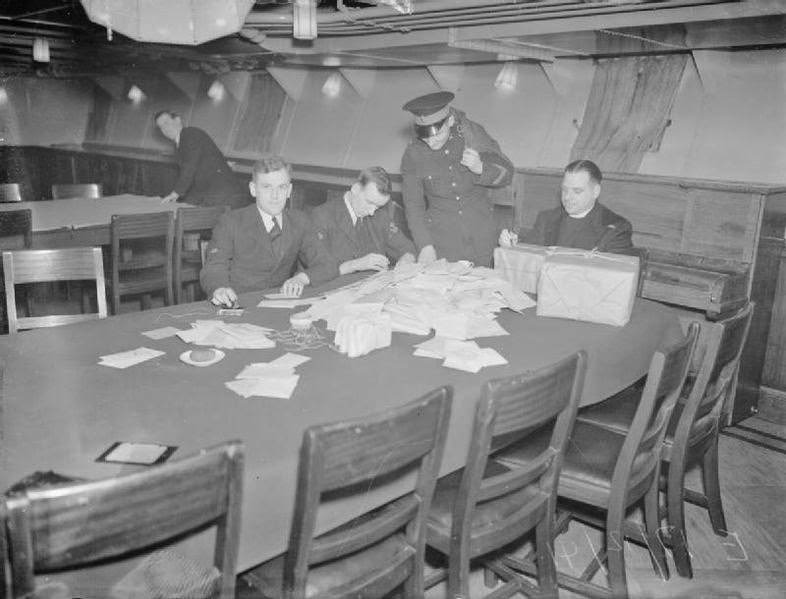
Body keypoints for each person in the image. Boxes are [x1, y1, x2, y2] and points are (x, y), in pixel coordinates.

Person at [200, 155, 337, 305]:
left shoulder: (300, 221)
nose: (275, 196)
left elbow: (327, 264)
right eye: (267, 187)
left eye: (281, 187)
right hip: (238, 302)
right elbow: (214, 266)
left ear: (289, 190)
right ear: (253, 189)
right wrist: (219, 288)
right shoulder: (231, 222)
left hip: (281, 304)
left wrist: (301, 279)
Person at [400, 91, 514, 268]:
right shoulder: (413, 154)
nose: (431, 142)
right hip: (444, 243)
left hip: (482, 237)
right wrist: (425, 245)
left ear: (450, 121)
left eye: (437, 134)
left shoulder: (472, 136)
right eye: (425, 136)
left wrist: (480, 168)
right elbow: (413, 205)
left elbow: (507, 175)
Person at [499, 159, 633, 253]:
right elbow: (528, 256)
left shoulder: (615, 228)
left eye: (577, 191)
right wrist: (512, 248)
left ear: (596, 191)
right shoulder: (547, 219)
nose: (568, 197)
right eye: (565, 189)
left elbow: (612, 278)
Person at [310, 167, 416, 275]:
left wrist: (406, 259)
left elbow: (408, 248)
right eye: (369, 202)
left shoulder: (380, 216)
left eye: (378, 206)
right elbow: (315, 270)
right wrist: (355, 265)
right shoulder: (322, 216)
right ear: (356, 189)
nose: (371, 212)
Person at [154, 110, 250, 209]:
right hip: (212, 194)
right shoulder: (179, 144)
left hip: (224, 196)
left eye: (166, 123)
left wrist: (175, 194)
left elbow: (190, 167)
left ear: (178, 120)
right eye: (161, 127)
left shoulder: (190, 134)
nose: (165, 128)